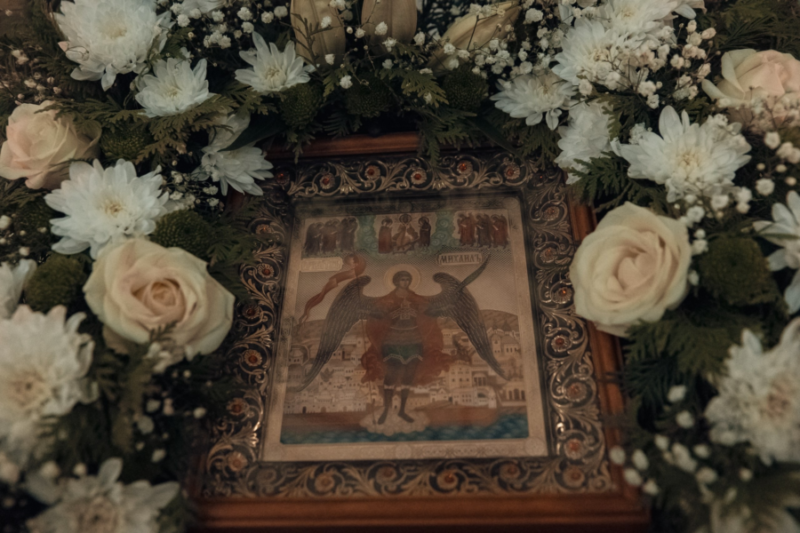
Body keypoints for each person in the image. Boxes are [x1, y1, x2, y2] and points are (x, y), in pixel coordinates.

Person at [361, 271, 451, 424]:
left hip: (413, 340)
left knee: (408, 375)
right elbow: (378, 316)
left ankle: (402, 410)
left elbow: (428, 313)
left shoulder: (416, 299)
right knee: (391, 375)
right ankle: (386, 410)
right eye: (402, 279)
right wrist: (395, 312)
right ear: (396, 281)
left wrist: (432, 311)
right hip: (393, 340)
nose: (406, 282)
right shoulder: (387, 300)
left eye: (408, 279)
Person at [299, 254, 366, 325]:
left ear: (357, 264)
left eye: (353, 264)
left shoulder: (354, 272)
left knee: (320, 296)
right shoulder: (354, 272)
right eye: (352, 264)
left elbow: (346, 276)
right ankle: (306, 314)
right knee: (320, 296)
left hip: (334, 281)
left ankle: (306, 314)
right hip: (334, 281)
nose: (351, 266)